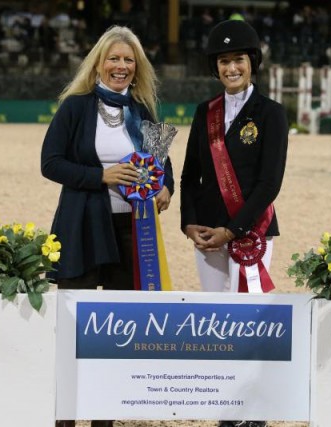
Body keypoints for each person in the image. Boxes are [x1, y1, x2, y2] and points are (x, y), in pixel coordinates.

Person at [40, 25, 174, 427]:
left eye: (128, 60)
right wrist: (102, 176)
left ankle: (104, 419)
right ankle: (65, 418)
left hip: (133, 233)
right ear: (98, 63)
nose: (121, 66)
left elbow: (161, 160)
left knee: (117, 333)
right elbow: (50, 163)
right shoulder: (75, 107)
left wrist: (166, 186)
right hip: (82, 226)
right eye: (113, 58)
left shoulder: (142, 110)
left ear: (138, 68)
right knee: (75, 330)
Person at [179, 19, 289, 427]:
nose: (231, 69)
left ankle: (254, 408)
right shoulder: (203, 112)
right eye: (223, 62)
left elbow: (269, 182)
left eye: (238, 60)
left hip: (252, 233)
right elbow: (190, 176)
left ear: (252, 62)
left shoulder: (273, 114)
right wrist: (189, 223)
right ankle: (225, 405)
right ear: (216, 67)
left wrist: (234, 229)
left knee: (248, 318)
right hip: (208, 235)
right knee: (216, 320)